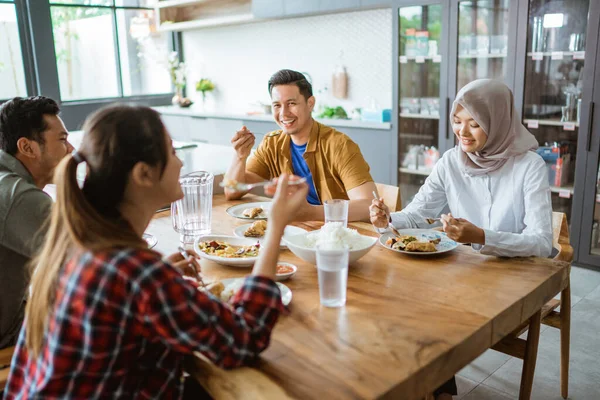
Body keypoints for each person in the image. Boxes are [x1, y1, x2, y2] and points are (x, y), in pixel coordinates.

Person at [3, 105, 309, 399]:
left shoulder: (84, 248)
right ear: (143, 174)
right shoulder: (138, 272)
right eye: (172, 153)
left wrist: (164, 276)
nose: (180, 164)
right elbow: (243, 338)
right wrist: (276, 224)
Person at [370, 79, 553, 399]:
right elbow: (416, 215)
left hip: (510, 280)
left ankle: (435, 388)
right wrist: (387, 219)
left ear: (498, 121)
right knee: (397, 300)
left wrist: (481, 236)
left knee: (427, 311)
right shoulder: (452, 161)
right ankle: (434, 388)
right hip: (462, 274)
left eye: (474, 123)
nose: (462, 132)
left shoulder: (529, 166)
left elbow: (540, 242)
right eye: (457, 122)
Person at [225, 69, 376, 222]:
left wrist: (309, 213)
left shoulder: (340, 145)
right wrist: (239, 157)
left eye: (291, 103)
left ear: (310, 103)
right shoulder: (271, 143)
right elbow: (232, 191)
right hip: (293, 231)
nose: (283, 114)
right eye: (277, 105)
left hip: (336, 236)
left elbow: (367, 205)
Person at [0, 96, 74, 349]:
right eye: (63, 140)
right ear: (27, 147)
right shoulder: (20, 197)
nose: (71, 150)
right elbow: (87, 268)